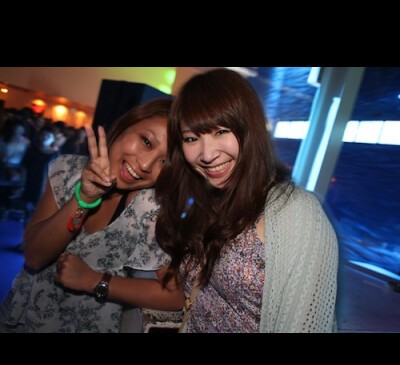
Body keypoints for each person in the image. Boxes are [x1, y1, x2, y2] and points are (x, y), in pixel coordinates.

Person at [154, 69, 339, 333]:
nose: (207, 154)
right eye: (192, 138)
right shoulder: (212, 199)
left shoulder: (296, 211)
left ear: (249, 130)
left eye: (220, 131)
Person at [0, 98, 184, 333]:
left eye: (165, 162)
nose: (146, 165)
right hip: (19, 319)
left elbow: (173, 295)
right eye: (146, 141)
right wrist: (84, 199)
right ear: (126, 124)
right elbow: (34, 257)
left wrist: (94, 280)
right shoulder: (67, 170)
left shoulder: (148, 207)